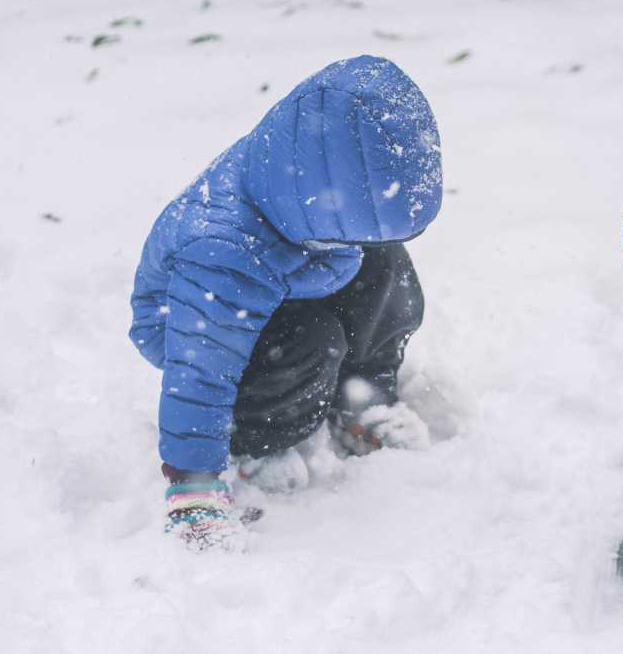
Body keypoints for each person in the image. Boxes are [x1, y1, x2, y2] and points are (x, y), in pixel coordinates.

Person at [129, 55, 443, 550]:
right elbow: (199, 371)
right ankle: (251, 438)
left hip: (293, 266)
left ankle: (360, 397)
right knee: (311, 342)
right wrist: (193, 488)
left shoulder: (307, 184)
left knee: (382, 266)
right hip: (194, 325)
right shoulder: (222, 250)